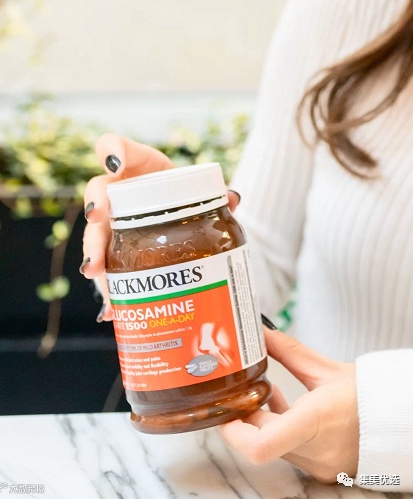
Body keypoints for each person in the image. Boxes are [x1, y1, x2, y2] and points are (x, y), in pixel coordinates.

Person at [80, 0, 413, 491]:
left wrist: (392, 421)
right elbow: (258, 264)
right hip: (289, 466)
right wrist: (169, 245)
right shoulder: (345, 12)